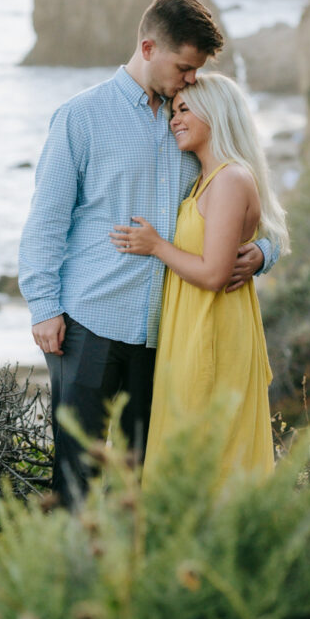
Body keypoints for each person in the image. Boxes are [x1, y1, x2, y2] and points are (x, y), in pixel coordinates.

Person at [18, 0, 279, 506]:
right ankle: (76, 583)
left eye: (195, 71)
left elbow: (250, 201)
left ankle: (135, 582)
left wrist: (263, 252)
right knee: (79, 479)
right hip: (89, 323)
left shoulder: (192, 120)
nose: (189, 80)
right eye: (183, 67)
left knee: (148, 481)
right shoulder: (81, 117)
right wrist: (44, 307)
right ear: (148, 46)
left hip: (165, 336)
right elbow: (46, 221)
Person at [110, 73, 290, 483]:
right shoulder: (202, 180)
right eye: (173, 111)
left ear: (217, 113)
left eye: (185, 110)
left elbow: (212, 273)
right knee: (186, 451)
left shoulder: (230, 178)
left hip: (212, 329)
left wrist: (156, 245)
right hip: (189, 328)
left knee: (208, 454)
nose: (174, 120)